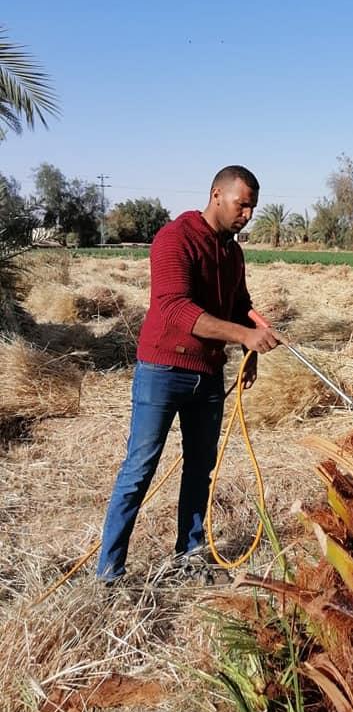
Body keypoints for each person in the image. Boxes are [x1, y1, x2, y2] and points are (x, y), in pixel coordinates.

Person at [96, 165, 278, 585]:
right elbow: (176, 309)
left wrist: (257, 338)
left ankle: (190, 556)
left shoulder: (232, 252)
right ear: (217, 195)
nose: (247, 214)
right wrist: (243, 335)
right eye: (242, 204)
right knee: (139, 469)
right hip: (163, 370)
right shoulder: (174, 239)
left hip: (208, 375)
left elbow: (239, 304)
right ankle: (108, 573)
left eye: (253, 207)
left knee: (201, 467)